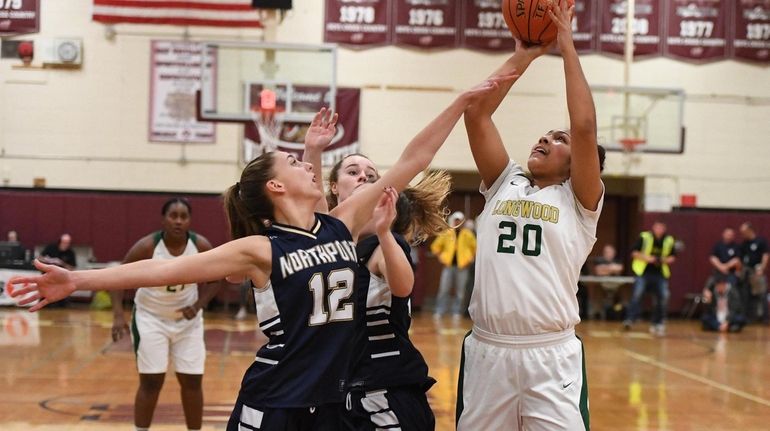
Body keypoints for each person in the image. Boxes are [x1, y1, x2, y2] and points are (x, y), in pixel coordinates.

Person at [8, 77, 512, 431]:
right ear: (276, 184)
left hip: (331, 404)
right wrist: (78, 281)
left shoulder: (342, 224)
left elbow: (413, 159)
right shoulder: (259, 250)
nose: (306, 163)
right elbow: (163, 267)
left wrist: (464, 100)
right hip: (273, 398)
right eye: (295, 160)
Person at [457, 2, 602, 429]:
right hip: (489, 351)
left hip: (551, 357)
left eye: (559, 139)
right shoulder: (505, 183)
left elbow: (585, 127)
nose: (546, 137)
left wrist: (566, 45)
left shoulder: (579, 203)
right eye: (545, 134)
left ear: (577, 163)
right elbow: (476, 113)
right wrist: (526, 53)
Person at [322, 148, 452, 430]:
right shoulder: (333, 244)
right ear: (334, 188)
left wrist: (383, 231)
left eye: (371, 177)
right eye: (354, 173)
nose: (363, 180)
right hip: (345, 388)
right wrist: (313, 149)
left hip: (384, 387)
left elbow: (404, 286)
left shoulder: (383, 246)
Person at [109, 197, 222, 431]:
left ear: (190, 220)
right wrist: (118, 315)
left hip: (187, 322)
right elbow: (117, 278)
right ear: (163, 219)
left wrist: (198, 305)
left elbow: (216, 279)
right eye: (173, 216)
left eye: (184, 216)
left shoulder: (200, 246)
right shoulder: (148, 247)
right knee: (151, 381)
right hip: (151, 318)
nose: (178, 221)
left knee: (192, 380)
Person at [624, 221, 676, 335]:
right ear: (653, 228)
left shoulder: (669, 240)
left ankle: (658, 322)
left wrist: (662, 260)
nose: (659, 230)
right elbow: (634, 253)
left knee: (663, 297)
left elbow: (673, 257)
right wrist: (649, 258)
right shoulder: (645, 237)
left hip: (660, 274)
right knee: (637, 295)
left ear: (664, 229)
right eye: (657, 227)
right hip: (643, 272)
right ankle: (630, 319)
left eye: (661, 228)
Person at [430, 211, 476, 318]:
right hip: (448, 266)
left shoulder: (467, 234)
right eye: (456, 221)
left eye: (460, 221)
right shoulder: (447, 233)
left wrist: (469, 260)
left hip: (462, 267)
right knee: (444, 289)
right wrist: (442, 258)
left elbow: (475, 248)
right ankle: (439, 310)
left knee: (460, 291)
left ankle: (457, 311)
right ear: (453, 221)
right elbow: (435, 246)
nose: (457, 223)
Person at [739, 222, 769, 323]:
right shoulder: (744, 243)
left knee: (762, 294)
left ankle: (765, 318)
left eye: (744, 232)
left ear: (750, 230)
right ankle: (747, 317)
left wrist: (762, 268)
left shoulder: (760, 241)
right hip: (747, 271)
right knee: (746, 294)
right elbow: (741, 259)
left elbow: (765, 255)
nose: (742, 234)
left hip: (757, 271)